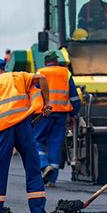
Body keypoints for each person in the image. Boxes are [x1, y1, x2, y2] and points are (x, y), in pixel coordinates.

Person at [0, 58, 52, 213]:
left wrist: (0, 142)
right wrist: (47, 102)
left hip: (3, 130)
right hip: (24, 126)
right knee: (33, 167)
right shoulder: (18, 76)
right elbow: (42, 78)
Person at [31, 50, 81, 187]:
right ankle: (52, 180)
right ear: (57, 61)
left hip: (44, 113)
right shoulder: (66, 73)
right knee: (56, 144)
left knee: (37, 140)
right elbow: (74, 97)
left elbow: (33, 94)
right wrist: (74, 114)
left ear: (46, 62)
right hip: (61, 114)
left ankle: (44, 165)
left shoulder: (40, 73)